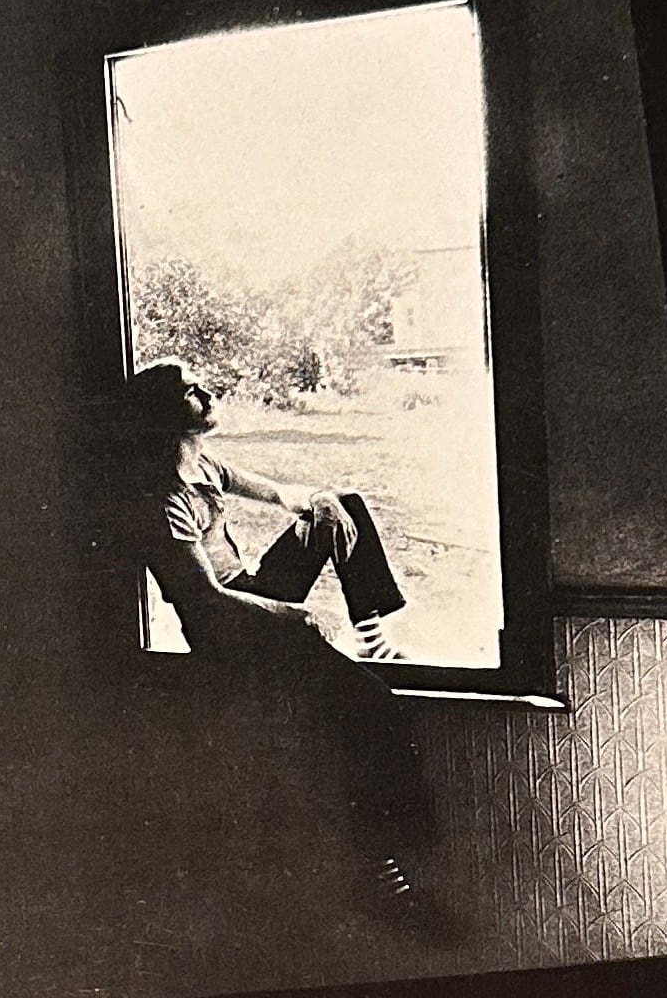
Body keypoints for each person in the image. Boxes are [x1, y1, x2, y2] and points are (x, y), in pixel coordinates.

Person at [108, 358, 438, 887]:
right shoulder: (163, 498)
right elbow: (205, 602)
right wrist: (296, 617)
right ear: (166, 415)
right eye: (192, 390)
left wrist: (316, 501)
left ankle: (373, 638)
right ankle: (383, 864)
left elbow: (280, 494)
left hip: (251, 595)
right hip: (227, 632)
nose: (206, 392)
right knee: (372, 704)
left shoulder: (203, 465)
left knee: (343, 505)